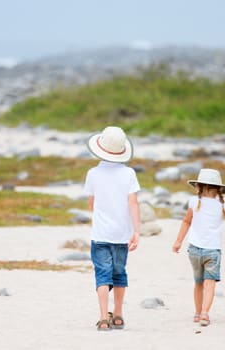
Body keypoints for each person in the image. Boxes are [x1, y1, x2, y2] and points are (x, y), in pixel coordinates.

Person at [83, 126, 141, 331]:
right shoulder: (129, 173)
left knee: (102, 275)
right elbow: (133, 203)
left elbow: (91, 203)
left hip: (100, 234)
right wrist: (137, 231)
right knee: (119, 274)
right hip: (122, 235)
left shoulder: (93, 173)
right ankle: (117, 315)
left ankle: (102, 317)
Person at [172, 168, 225, 327]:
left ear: (198, 186)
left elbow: (186, 222)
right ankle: (205, 314)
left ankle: (197, 313)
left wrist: (178, 241)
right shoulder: (223, 204)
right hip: (213, 251)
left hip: (194, 250)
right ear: (219, 188)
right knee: (209, 283)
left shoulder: (193, 201)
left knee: (198, 283)